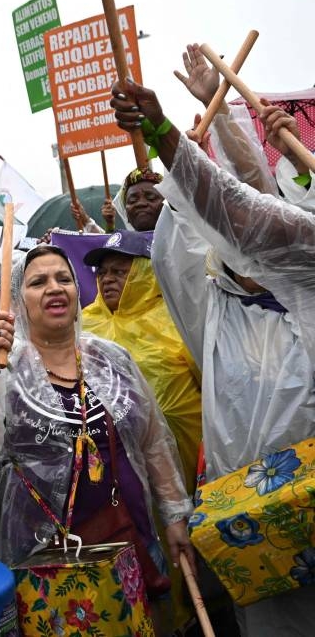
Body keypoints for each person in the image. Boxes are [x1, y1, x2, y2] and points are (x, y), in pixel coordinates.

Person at [112, 78, 315, 635]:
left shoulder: (307, 276)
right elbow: (209, 216)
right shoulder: (212, 303)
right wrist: (207, 128)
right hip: (254, 535)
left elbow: (245, 206)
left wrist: (174, 132)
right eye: (225, 237)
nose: (246, 238)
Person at [0, 245, 193, 607]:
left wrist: (173, 516)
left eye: (64, 279)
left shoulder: (111, 359)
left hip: (129, 530)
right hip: (45, 554)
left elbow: (152, 441)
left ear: (77, 292)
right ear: (18, 299)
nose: (54, 288)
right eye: (38, 282)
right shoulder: (4, 366)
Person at [81, 232, 202, 493]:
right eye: (102, 273)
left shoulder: (176, 318)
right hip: (110, 457)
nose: (108, 279)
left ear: (145, 273)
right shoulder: (84, 323)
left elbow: (210, 384)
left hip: (183, 450)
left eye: (119, 272)